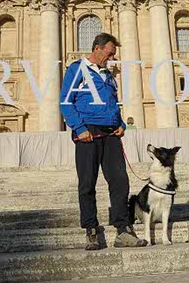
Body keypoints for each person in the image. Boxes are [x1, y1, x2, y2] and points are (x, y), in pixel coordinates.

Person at [60, 33, 148, 251]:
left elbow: (112, 104)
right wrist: (79, 128)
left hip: (111, 134)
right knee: (87, 183)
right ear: (97, 49)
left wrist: (121, 124)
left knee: (120, 181)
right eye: (109, 54)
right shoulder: (76, 69)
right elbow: (66, 102)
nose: (111, 58)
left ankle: (123, 230)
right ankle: (91, 230)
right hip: (87, 133)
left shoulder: (108, 76)